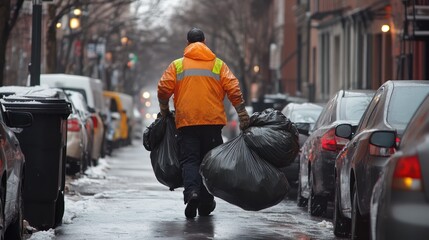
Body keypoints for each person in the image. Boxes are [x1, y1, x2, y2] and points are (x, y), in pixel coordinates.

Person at [157, 27, 250, 218]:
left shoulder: (178, 65)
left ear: (187, 43)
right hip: (212, 123)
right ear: (205, 41)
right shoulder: (218, 65)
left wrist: (165, 111)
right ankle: (206, 202)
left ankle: (192, 193)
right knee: (209, 163)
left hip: (187, 123)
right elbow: (233, 88)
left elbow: (163, 89)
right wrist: (242, 114)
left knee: (190, 160)